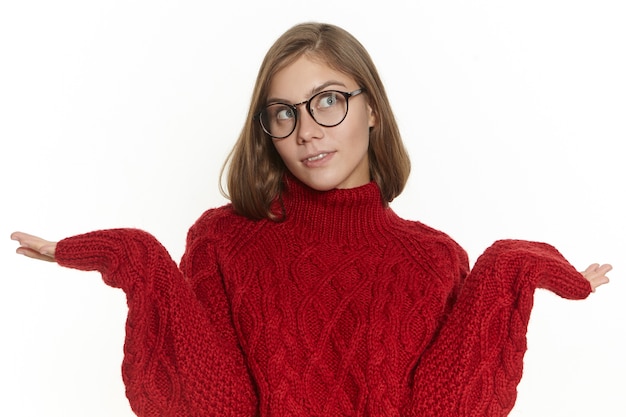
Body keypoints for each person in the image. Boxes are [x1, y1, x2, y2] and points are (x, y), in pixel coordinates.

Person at [11, 22, 611, 417]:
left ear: (371, 107)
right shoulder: (224, 241)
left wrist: (511, 267)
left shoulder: (434, 258)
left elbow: (445, 408)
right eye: (283, 113)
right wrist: (138, 258)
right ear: (266, 130)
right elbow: (213, 403)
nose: (307, 131)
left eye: (329, 100)